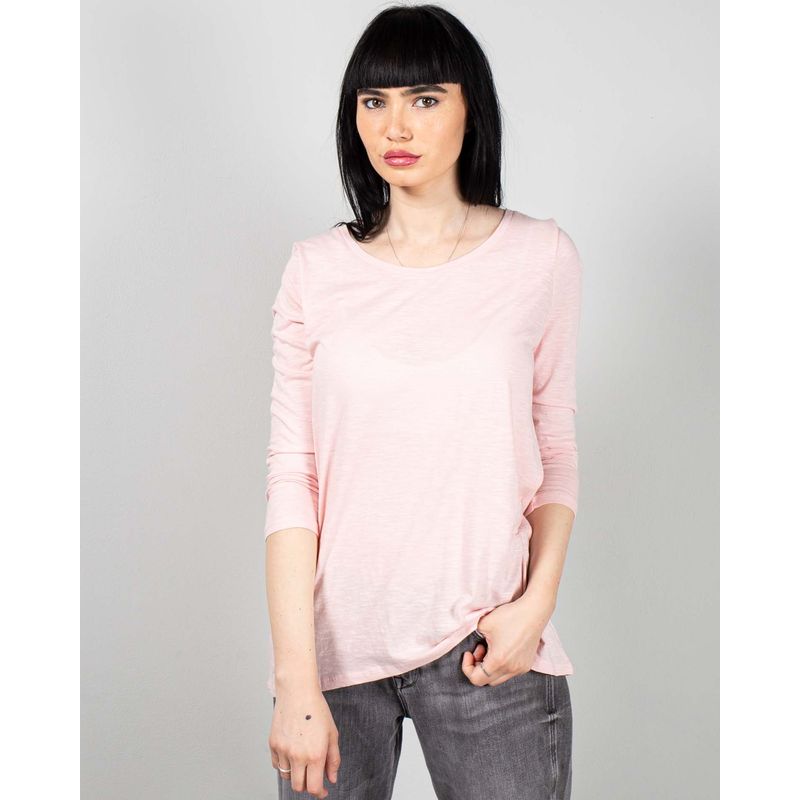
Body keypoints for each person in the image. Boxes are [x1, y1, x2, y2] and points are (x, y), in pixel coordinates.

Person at [263, 5, 582, 799]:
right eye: (374, 101)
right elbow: (293, 477)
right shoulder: (315, 270)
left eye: (425, 99)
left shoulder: (539, 258)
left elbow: (554, 452)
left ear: (472, 109)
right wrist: (296, 679)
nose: (395, 126)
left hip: (489, 647)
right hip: (334, 661)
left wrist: (536, 605)